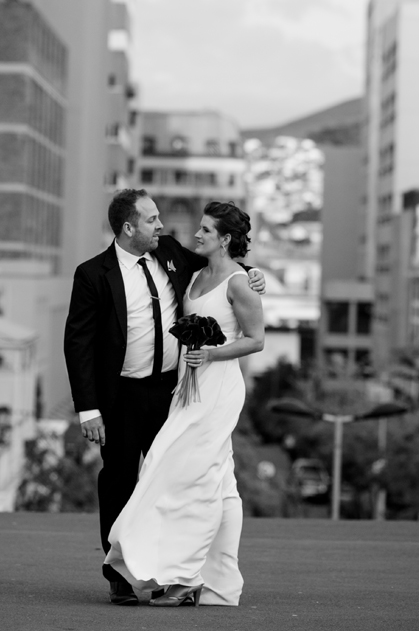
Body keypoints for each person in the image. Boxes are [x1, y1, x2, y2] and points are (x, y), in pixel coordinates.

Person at [63, 189, 265, 606]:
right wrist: (89, 409)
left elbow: (222, 268)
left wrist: (252, 270)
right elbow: (77, 344)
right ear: (128, 228)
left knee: (175, 479)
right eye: (152, 220)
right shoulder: (92, 275)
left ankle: (175, 570)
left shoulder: (170, 251)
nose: (162, 226)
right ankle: (120, 573)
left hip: (174, 391)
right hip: (120, 395)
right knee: (119, 480)